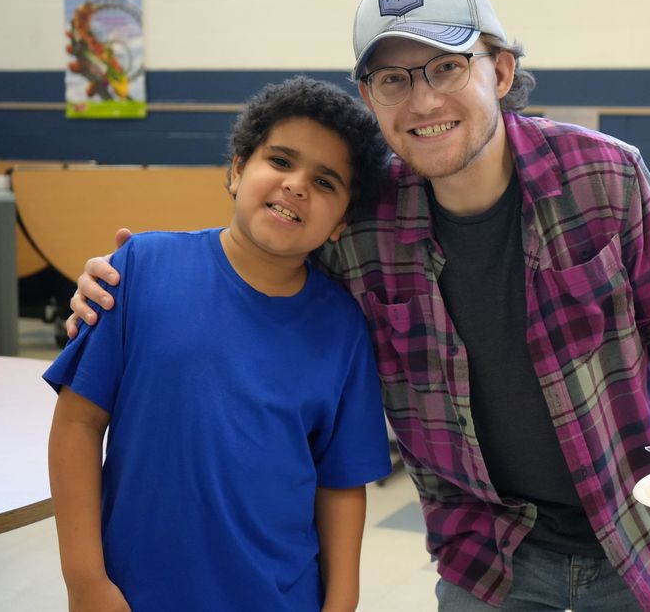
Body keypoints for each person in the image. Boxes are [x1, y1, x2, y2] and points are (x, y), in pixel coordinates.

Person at [68, 0, 650, 612]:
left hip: (645, 534)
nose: (423, 99)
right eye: (393, 78)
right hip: (492, 554)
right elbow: (263, 249)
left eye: (447, 66)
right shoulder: (361, 222)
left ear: (501, 70)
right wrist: (136, 270)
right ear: (369, 97)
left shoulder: (606, 176)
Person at [47, 76, 392, 612]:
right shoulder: (140, 268)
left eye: (325, 183)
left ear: (339, 225)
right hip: (135, 596)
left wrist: (340, 603)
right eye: (280, 160)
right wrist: (86, 581)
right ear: (236, 169)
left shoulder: (344, 327)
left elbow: (340, 484)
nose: (297, 185)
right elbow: (77, 424)